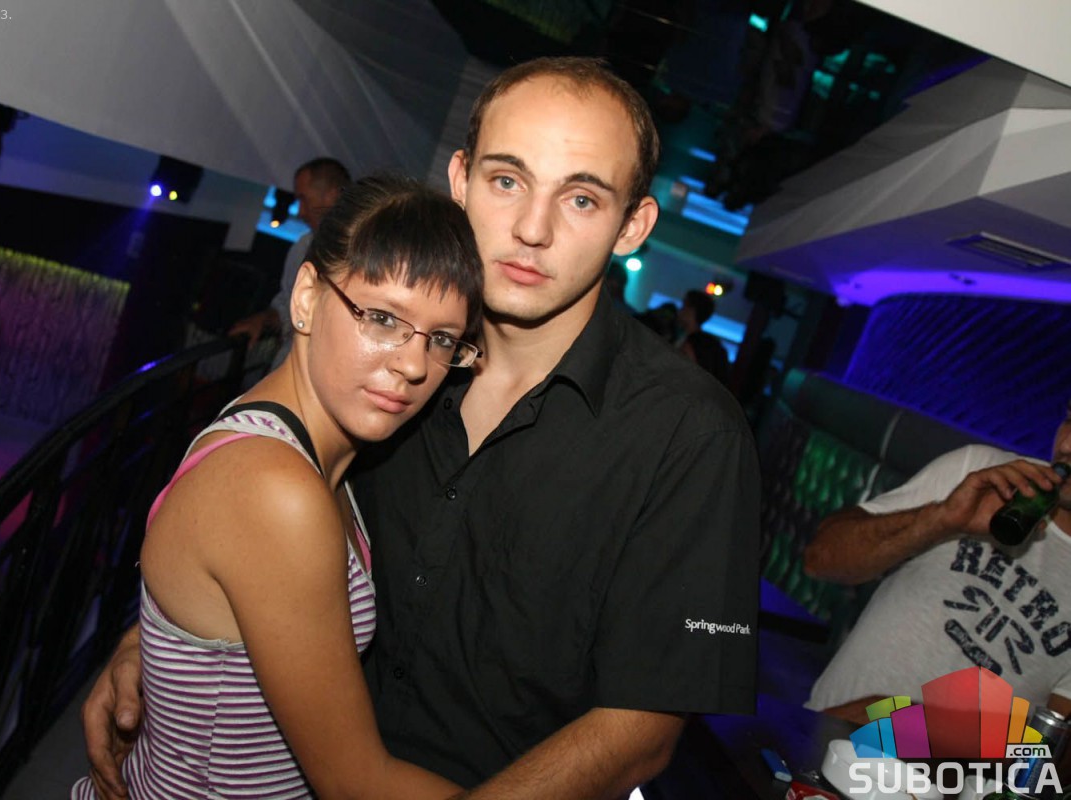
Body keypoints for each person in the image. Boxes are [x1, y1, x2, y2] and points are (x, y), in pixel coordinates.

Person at [85, 56, 760, 799]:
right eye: (507, 181)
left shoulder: (692, 435)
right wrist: (164, 639)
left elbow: (642, 731)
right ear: (461, 179)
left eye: (580, 199)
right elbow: (246, 539)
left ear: (632, 225)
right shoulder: (391, 370)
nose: (532, 229)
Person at [72, 174, 483, 799]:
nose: (413, 364)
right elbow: (355, 784)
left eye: (443, 339)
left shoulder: (301, 445)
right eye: (382, 318)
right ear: (307, 298)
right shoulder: (277, 488)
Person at [803, 403, 1071, 725]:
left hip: (932, 760)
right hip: (822, 734)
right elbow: (820, 559)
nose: (1066, 446)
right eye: (1070, 419)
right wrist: (941, 519)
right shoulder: (982, 471)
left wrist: (910, 726)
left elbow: (1053, 747)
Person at [229, 158, 352, 369]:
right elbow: (287, 305)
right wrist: (265, 319)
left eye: (303, 199)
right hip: (286, 369)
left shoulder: (367, 254)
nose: (300, 212)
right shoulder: (303, 246)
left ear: (333, 196)